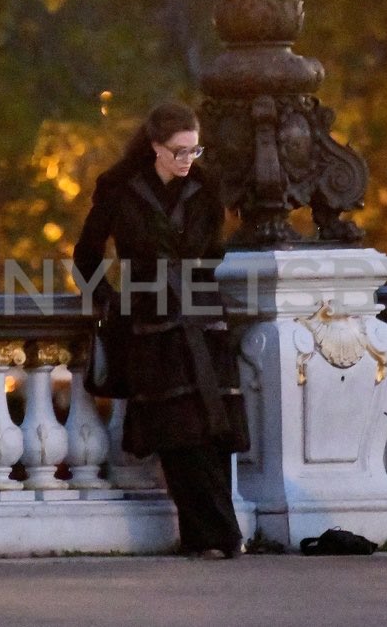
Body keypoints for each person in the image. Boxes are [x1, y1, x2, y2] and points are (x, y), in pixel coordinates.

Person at [73, 101, 250, 560]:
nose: (188, 159)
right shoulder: (117, 188)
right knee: (177, 431)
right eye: (178, 151)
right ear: (154, 147)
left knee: (213, 429)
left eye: (194, 150)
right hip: (151, 324)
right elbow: (87, 254)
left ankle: (211, 537)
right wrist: (110, 300)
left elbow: (212, 254)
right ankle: (217, 536)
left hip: (203, 319)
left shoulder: (207, 188)